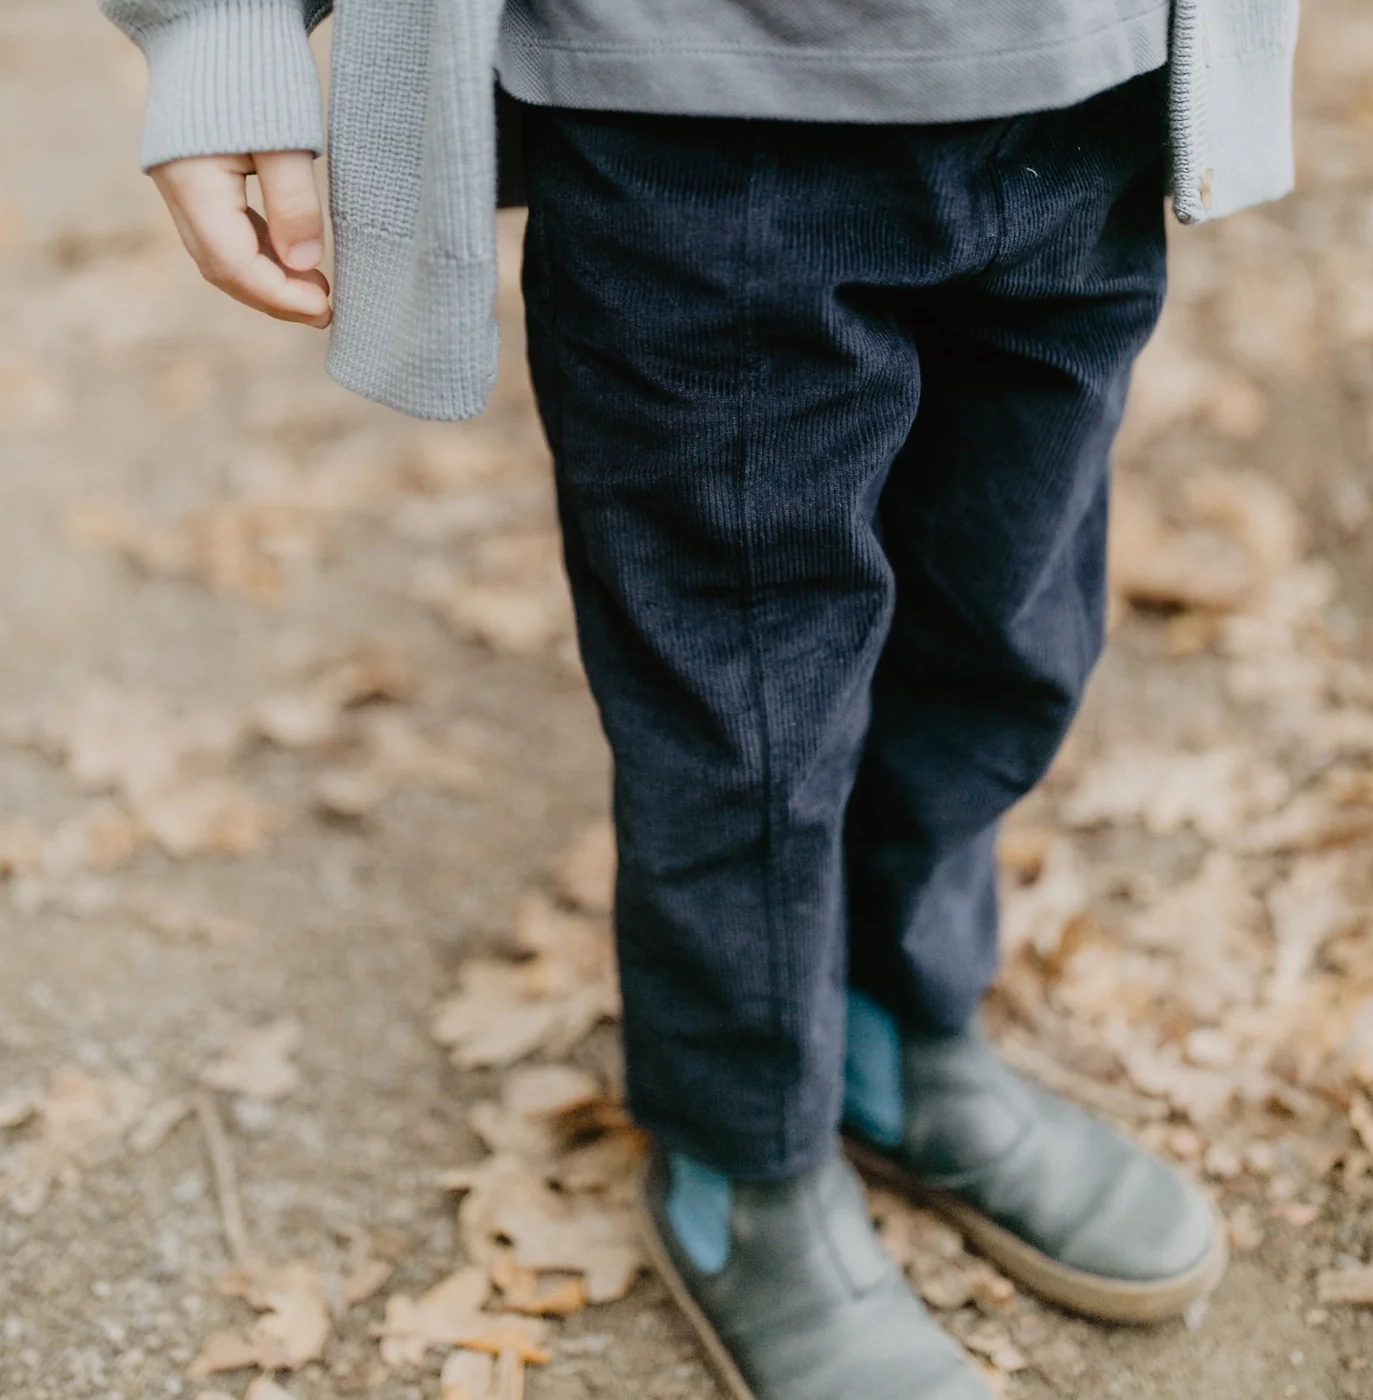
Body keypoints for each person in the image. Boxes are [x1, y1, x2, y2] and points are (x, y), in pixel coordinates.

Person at [99, 1, 1301, 1396]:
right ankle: (742, 1156)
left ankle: (894, 1034)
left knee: (1005, 633)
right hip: (696, 111)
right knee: (747, 715)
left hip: (1081, 88)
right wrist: (212, 29)